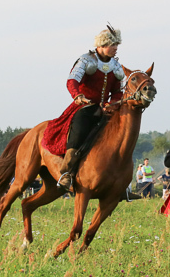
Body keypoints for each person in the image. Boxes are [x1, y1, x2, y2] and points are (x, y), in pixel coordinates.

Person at [41, 24, 125, 191]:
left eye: (117, 45)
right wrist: (78, 96)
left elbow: (117, 91)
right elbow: (72, 81)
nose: (116, 48)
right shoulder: (87, 60)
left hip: (106, 110)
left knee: (122, 135)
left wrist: (112, 104)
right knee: (79, 131)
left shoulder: (116, 66)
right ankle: (66, 172)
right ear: (102, 45)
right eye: (113, 45)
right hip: (85, 107)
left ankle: (121, 181)